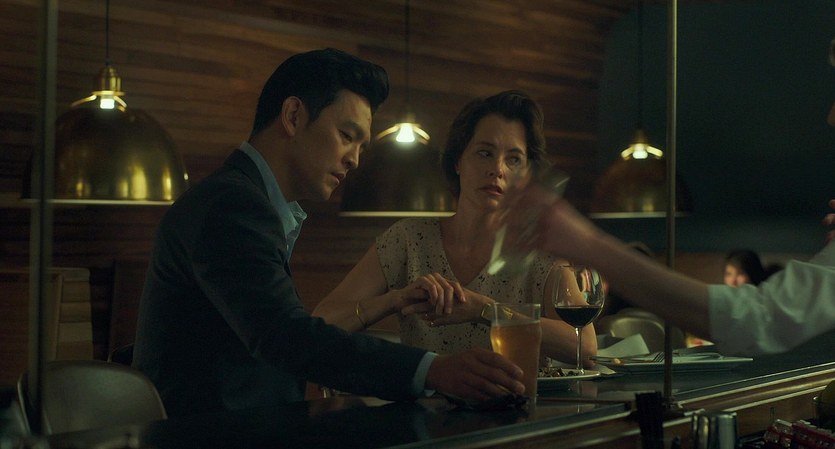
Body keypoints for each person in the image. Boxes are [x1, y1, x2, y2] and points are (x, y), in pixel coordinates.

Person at [132, 48, 525, 418]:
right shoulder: (231, 204)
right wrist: (432, 370)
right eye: (347, 136)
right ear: (293, 116)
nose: (354, 160)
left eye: (361, 146)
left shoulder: (247, 201)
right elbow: (284, 336)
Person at [313, 90, 596, 367]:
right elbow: (320, 323)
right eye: (485, 153)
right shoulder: (409, 239)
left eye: (513, 159)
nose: (497, 169)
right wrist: (394, 300)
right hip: (425, 398)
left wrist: (485, 310)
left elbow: (585, 346)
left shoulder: (540, 251)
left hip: (518, 397)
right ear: (458, 160)